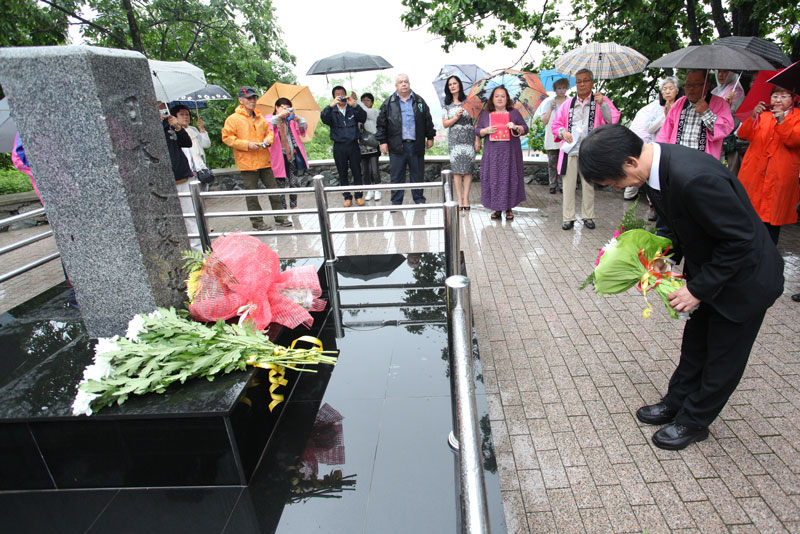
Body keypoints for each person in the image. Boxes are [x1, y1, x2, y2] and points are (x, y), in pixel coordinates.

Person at [578, 124, 784, 450]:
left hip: (745, 280)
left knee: (722, 358)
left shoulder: (696, 177)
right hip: (710, 271)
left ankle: (695, 421)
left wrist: (698, 289)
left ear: (630, 162)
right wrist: (663, 256)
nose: (618, 189)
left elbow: (741, 242)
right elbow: (672, 221)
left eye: (614, 182)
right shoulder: (655, 172)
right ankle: (676, 402)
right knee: (695, 346)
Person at [552, 68, 620, 230]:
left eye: (585, 80)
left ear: (592, 82)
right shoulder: (568, 104)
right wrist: (563, 132)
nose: (582, 84)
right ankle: (568, 217)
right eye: (579, 81)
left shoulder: (600, 101)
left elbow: (612, 120)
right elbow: (556, 124)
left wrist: (603, 104)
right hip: (570, 149)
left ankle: (588, 216)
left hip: (590, 150)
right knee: (568, 185)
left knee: (589, 184)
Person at [736, 85, 800, 246]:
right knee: (750, 219)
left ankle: (768, 262)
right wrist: (753, 117)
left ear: (793, 99)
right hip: (754, 174)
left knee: (771, 223)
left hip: (778, 177)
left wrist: (782, 121)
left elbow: (793, 140)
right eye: (775, 96)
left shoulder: (797, 117)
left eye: (784, 96)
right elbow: (743, 134)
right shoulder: (763, 115)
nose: (778, 100)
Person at [222, 86, 291, 231]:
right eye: (249, 98)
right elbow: (227, 138)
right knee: (252, 194)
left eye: (254, 98)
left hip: (264, 160)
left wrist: (267, 140)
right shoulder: (233, 119)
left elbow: (269, 132)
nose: (252, 101)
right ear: (241, 100)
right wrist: (247, 145)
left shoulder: (260, 117)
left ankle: (280, 217)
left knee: (273, 189)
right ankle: (257, 222)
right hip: (247, 163)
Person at [376, 74, 436, 206]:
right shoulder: (388, 103)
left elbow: (428, 120)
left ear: (409, 84)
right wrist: (382, 142)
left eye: (406, 82)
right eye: (400, 82)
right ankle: (396, 201)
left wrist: (430, 137)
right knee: (396, 176)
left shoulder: (419, 101)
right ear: (396, 86)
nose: (404, 84)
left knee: (418, 174)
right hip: (396, 145)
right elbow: (381, 124)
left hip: (416, 144)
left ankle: (419, 200)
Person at [625, 77, 682, 208]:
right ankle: (654, 205)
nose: (667, 91)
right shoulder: (656, 107)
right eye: (664, 89)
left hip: (675, 148)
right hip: (658, 147)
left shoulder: (681, 106)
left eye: (671, 88)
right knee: (654, 177)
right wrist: (664, 116)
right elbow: (650, 128)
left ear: (677, 91)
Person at [475, 86, 529, 221]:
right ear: (492, 99)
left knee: (509, 178)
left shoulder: (514, 113)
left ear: (507, 98)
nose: (500, 98)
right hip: (492, 154)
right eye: (497, 96)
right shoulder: (486, 113)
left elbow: (525, 128)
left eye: (503, 96)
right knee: (494, 179)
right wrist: (486, 130)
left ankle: (509, 208)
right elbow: (477, 131)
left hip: (510, 153)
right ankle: (497, 208)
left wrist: (515, 126)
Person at [656, 70, 734, 160]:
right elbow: (665, 133)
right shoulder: (679, 103)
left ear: (707, 85)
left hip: (704, 162)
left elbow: (725, 129)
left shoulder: (720, 103)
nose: (691, 88)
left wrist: (706, 112)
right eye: (688, 85)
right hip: (677, 159)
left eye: (696, 85)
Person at [158, 101, 201, 248]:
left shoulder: (170, 125)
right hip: (161, 182)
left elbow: (187, 143)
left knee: (190, 217)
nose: (162, 110)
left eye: (163, 106)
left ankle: (198, 252)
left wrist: (176, 126)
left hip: (181, 177)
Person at [320, 85, 366, 207]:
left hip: (353, 145)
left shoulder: (352, 109)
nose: (340, 96)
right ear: (334, 97)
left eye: (342, 93)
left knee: (357, 171)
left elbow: (363, 117)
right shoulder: (332, 111)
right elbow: (323, 118)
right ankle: (347, 197)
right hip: (339, 146)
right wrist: (330, 105)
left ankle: (359, 196)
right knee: (342, 173)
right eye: (337, 94)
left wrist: (354, 104)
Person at [268, 97, 309, 210]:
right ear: (276, 107)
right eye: (282, 107)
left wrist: (297, 119)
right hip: (278, 156)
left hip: (291, 155)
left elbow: (302, 130)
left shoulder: (290, 121)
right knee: (280, 184)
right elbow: (268, 127)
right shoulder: (270, 118)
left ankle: (294, 205)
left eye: (288, 107)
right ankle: (282, 207)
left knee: (294, 181)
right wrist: (279, 117)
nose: (285, 109)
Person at [442, 75, 476, 210]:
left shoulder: (469, 102)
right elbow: (445, 124)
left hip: (469, 139)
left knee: (468, 170)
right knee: (456, 171)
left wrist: (477, 140)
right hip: (455, 141)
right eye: (450, 84)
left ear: (459, 85)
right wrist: (457, 116)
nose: (452, 86)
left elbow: (476, 121)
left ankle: (466, 198)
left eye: (454, 83)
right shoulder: (446, 105)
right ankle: (459, 199)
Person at [534, 77, 569, 194]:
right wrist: (550, 108)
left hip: (566, 138)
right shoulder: (549, 102)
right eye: (559, 88)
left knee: (564, 164)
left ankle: (563, 185)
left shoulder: (570, 102)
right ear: (555, 89)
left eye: (564, 88)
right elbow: (544, 121)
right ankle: (552, 184)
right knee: (552, 164)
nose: (561, 91)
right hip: (552, 138)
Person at [712, 69, 746, 174]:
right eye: (719, 71)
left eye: (725, 72)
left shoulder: (737, 92)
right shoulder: (715, 90)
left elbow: (732, 121)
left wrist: (727, 106)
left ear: (732, 73)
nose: (720, 75)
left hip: (725, 141)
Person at [171, 104, 211, 189]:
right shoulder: (173, 132)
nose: (185, 117)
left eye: (187, 114)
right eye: (181, 114)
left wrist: (201, 128)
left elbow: (206, 144)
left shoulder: (193, 130)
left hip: (200, 168)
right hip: (186, 170)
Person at [357, 92, 382, 201]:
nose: (365, 102)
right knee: (365, 171)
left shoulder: (374, 112)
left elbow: (366, 113)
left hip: (372, 145)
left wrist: (357, 101)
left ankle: (377, 189)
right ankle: (369, 190)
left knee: (374, 170)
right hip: (362, 147)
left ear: (372, 102)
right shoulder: (359, 114)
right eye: (363, 100)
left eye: (368, 100)